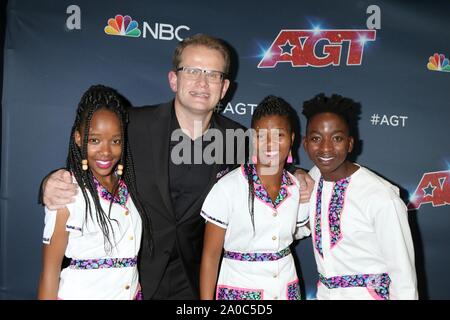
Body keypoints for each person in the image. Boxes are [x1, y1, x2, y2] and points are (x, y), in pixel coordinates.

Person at [40, 34, 314, 299]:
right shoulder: (132, 125)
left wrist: (300, 174)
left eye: (213, 74)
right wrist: (48, 183)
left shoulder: (238, 140)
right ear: (174, 79)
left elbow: (271, 166)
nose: (202, 83)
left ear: (224, 88)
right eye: (192, 71)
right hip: (133, 279)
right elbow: (92, 156)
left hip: (196, 280)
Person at [37, 85, 152, 299]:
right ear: (79, 139)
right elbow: (49, 275)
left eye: (115, 141)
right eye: (95, 140)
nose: (106, 151)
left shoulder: (129, 187)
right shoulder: (66, 192)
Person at [301, 93, 418, 300]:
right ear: (305, 143)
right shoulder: (313, 178)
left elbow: (403, 275)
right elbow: (297, 225)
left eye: (336, 138)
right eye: (316, 138)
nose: (326, 148)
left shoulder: (380, 196)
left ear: (350, 143)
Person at [199, 95, 310, 300]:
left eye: (279, 135)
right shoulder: (228, 187)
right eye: (262, 136)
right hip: (239, 290)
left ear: (292, 139)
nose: (270, 144)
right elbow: (210, 257)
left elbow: (304, 227)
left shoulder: (297, 188)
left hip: (286, 288)